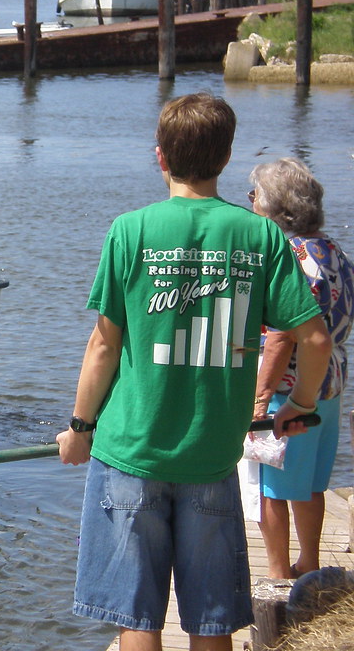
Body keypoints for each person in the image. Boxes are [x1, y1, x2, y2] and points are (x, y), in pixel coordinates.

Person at [56, 93, 332, 651]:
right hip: (211, 456)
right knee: (210, 620)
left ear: (160, 157)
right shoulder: (260, 236)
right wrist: (300, 405)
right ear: (226, 158)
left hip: (131, 450)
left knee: (138, 620)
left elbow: (103, 347)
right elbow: (315, 338)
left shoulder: (130, 230)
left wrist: (80, 429)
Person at [249, 157, 354, 580]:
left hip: (287, 393)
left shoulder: (287, 257)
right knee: (311, 483)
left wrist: (258, 399)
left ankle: (278, 574)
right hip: (328, 386)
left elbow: (279, 336)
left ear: (277, 208)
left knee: (269, 488)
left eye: (255, 195)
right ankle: (309, 562)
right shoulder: (336, 253)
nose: (251, 202)